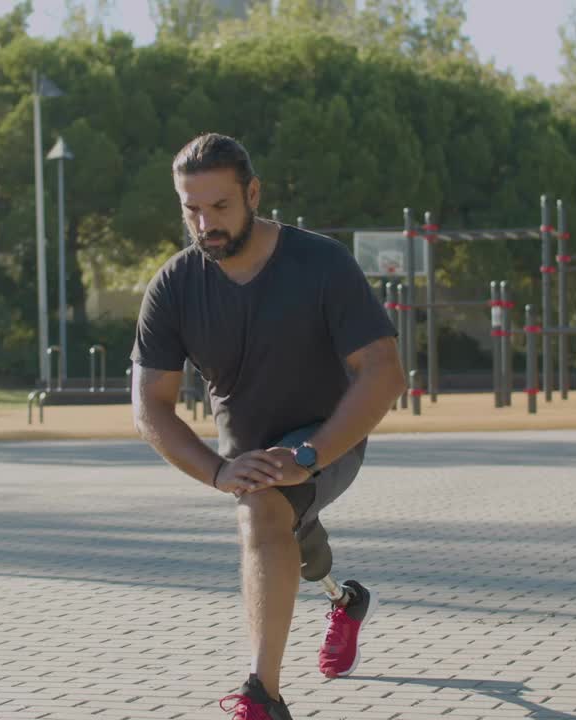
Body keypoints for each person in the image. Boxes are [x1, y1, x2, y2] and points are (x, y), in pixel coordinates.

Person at [130, 133, 406, 718]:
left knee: (263, 511)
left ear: (253, 193)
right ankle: (345, 601)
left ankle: (262, 695)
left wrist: (310, 452)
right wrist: (218, 470)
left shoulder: (321, 263)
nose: (205, 223)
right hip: (248, 460)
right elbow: (150, 406)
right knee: (292, 538)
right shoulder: (175, 286)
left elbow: (383, 372)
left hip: (329, 440)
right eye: (191, 210)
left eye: (221, 206)